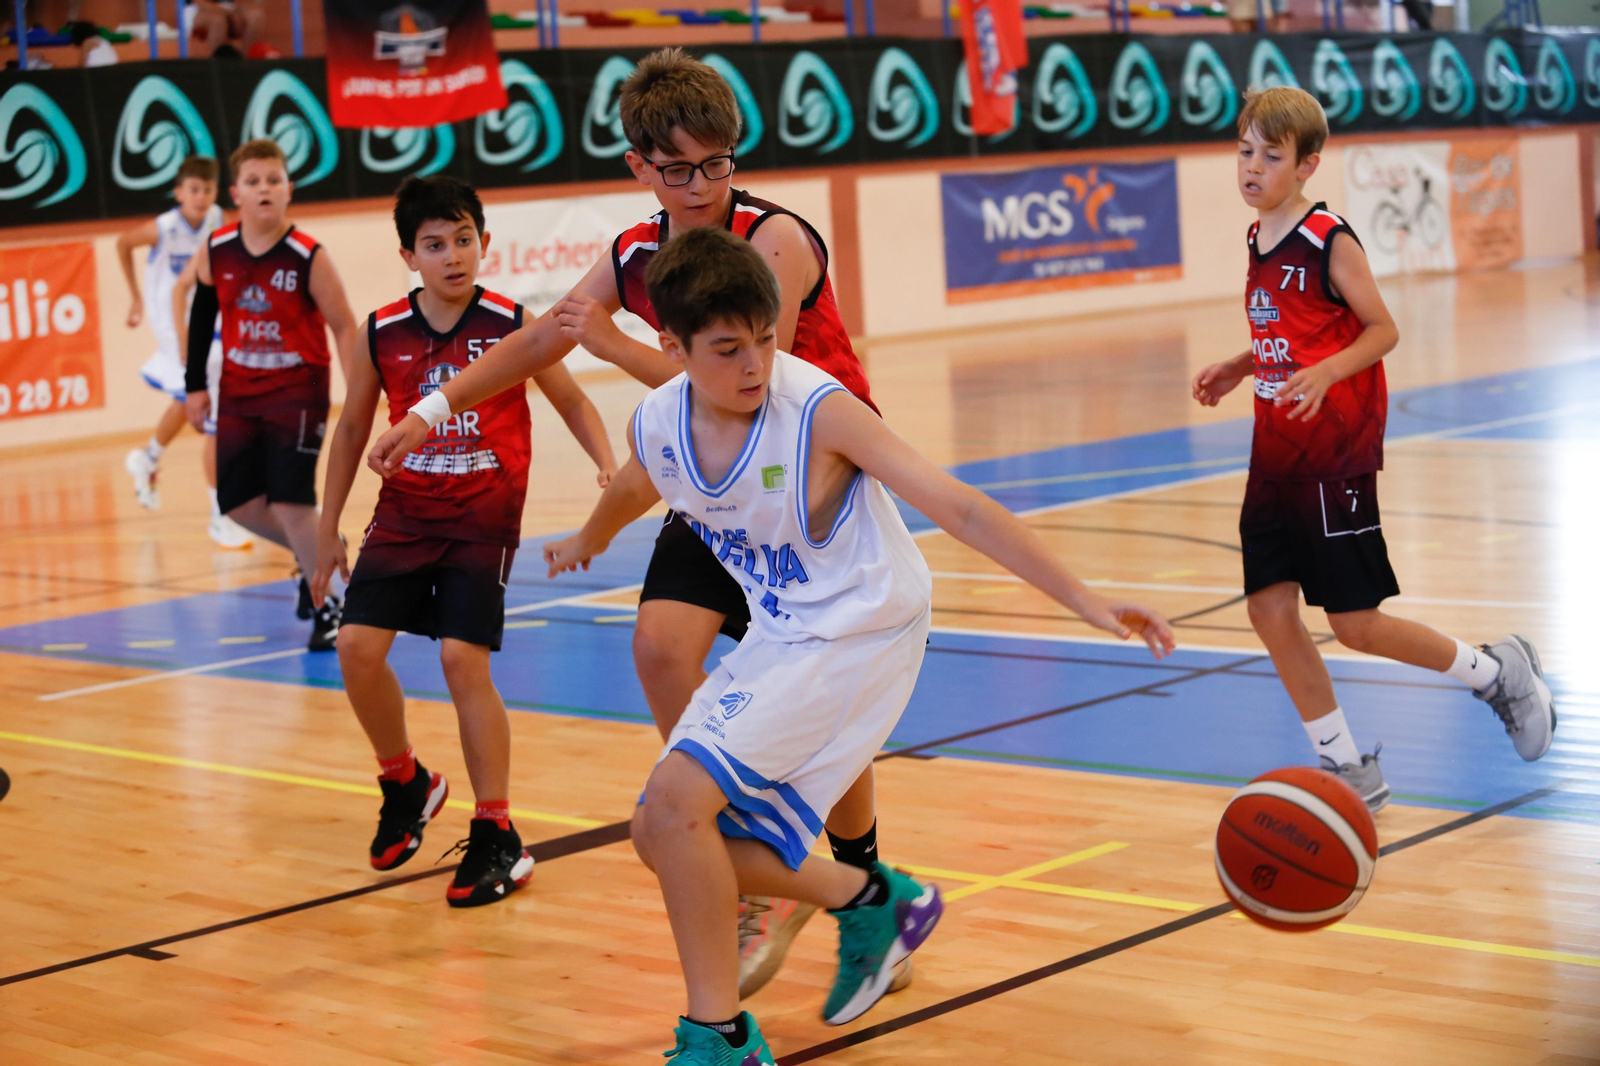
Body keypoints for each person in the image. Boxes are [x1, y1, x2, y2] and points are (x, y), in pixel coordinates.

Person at [521, 228, 1176, 1063]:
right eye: (727, 349)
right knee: (660, 832)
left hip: (868, 626)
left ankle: (719, 1037)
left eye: (764, 338)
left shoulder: (818, 410)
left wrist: (1086, 599)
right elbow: (637, 478)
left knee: (680, 802)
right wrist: (586, 535)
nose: (755, 363)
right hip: (789, 631)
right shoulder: (660, 418)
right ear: (672, 348)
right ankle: (870, 897)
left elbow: (960, 507)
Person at [367, 46, 887, 996]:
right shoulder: (637, 250)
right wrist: (427, 412)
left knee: (823, 694)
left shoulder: (775, 243)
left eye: (719, 162)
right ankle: (741, 842)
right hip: (726, 481)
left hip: (817, 484)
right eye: (680, 167)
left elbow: (734, 389)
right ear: (640, 168)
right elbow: (536, 338)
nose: (702, 184)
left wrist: (605, 341)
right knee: (658, 646)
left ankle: (865, 884)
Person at [1191, 87, 1556, 811]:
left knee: (1354, 625)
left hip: (1332, 452)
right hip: (1274, 452)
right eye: (1244, 151)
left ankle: (1497, 673)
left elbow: (1381, 329)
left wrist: (1327, 372)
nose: (1252, 167)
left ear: (1308, 165)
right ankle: (1348, 765)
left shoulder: (1329, 237)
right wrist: (1242, 365)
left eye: (1270, 155)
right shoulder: (1257, 236)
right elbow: (1294, 331)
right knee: (1268, 609)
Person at [310, 176, 615, 905]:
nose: (452, 255)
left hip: (484, 513)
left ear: (485, 241)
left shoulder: (514, 320)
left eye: (464, 239)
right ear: (409, 256)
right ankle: (405, 780)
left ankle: (496, 827)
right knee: (355, 648)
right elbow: (353, 428)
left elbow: (572, 399)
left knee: (460, 659)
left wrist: (608, 464)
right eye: (435, 245)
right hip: (405, 512)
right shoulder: (380, 330)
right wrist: (325, 530)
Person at [185, 138, 358, 651]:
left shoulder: (308, 255)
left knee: (291, 498)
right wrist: (195, 385)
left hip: (297, 391)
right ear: (236, 193)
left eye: (273, 181)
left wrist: (359, 392)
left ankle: (335, 603)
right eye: (254, 182)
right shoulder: (218, 249)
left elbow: (345, 326)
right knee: (236, 503)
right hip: (238, 390)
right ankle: (326, 550)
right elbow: (201, 319)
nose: (264, 189)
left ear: (289, 190)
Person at [116, 155, 252, 549]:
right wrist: (135, 297)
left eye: (207, 190)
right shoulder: (165, 227)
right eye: (193, 189)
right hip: (174, 327)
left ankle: (149, 457)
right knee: (211, 414)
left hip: (206, 325)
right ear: (178, 193)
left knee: (192, 401)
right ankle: (219, 514)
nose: (200, 196)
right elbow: (122, 243)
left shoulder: (216, 218)